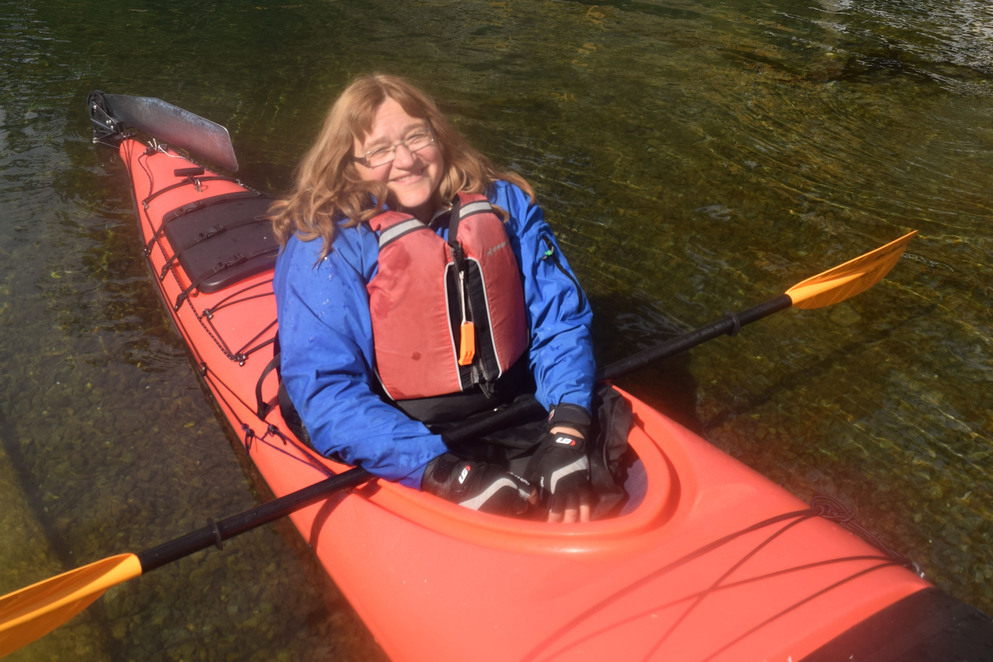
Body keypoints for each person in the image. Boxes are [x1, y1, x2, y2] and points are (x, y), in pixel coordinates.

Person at [270, 74, 614, 523]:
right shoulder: (327, 244)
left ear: (439, 134)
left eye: (417, 136)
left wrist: (568, 427)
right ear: (348, 163)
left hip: (517, 403)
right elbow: (328, 389)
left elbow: (560, 319)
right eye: (379, 150)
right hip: (404, 433)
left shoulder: (502, 202)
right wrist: (446, 474)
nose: (407, 159)